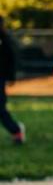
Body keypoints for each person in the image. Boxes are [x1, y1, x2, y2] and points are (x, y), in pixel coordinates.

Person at [0, 16, 24, 145]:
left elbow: (11, 59)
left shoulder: (5, 41)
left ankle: (16, 131)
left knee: (0, 109)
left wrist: (11, 77)